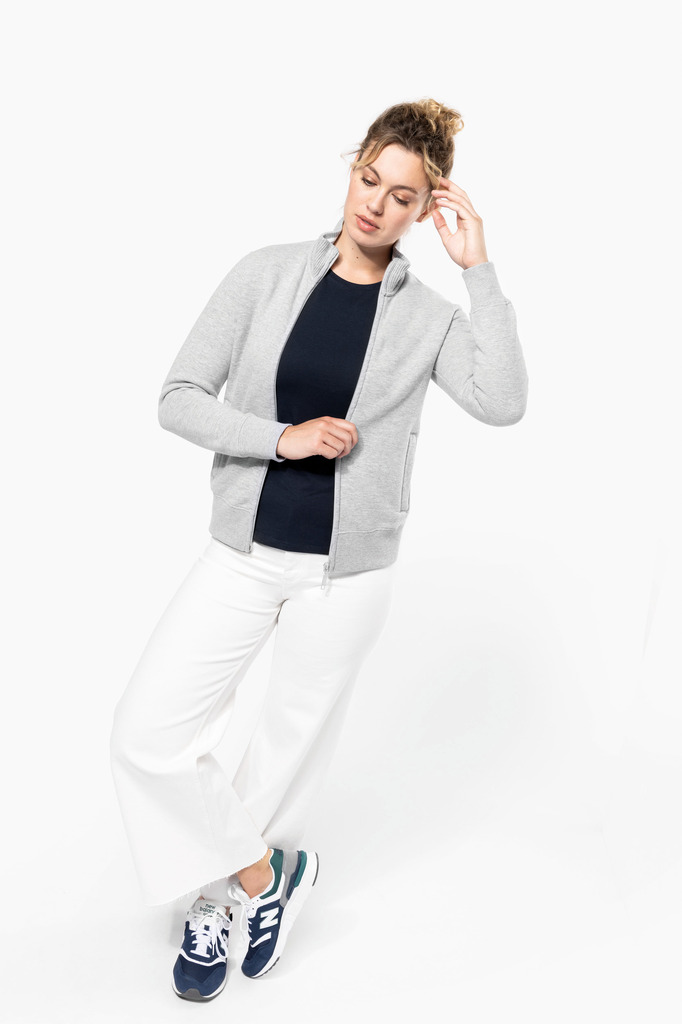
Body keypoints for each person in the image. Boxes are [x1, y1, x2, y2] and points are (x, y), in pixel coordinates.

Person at [109, 96, 529, 1002]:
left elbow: (503, 401)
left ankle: (218, 901)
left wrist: (480, 271)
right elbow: (179, 396)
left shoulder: (428, 320)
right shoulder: (264, 274)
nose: (376, 204)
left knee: (280, 756)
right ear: (351, 169)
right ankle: (267, 876)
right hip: (242, 553)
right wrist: (281, 438)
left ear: (425, 209)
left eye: (402, 196)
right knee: (146, 734)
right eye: (369, 179)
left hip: (345, 578)